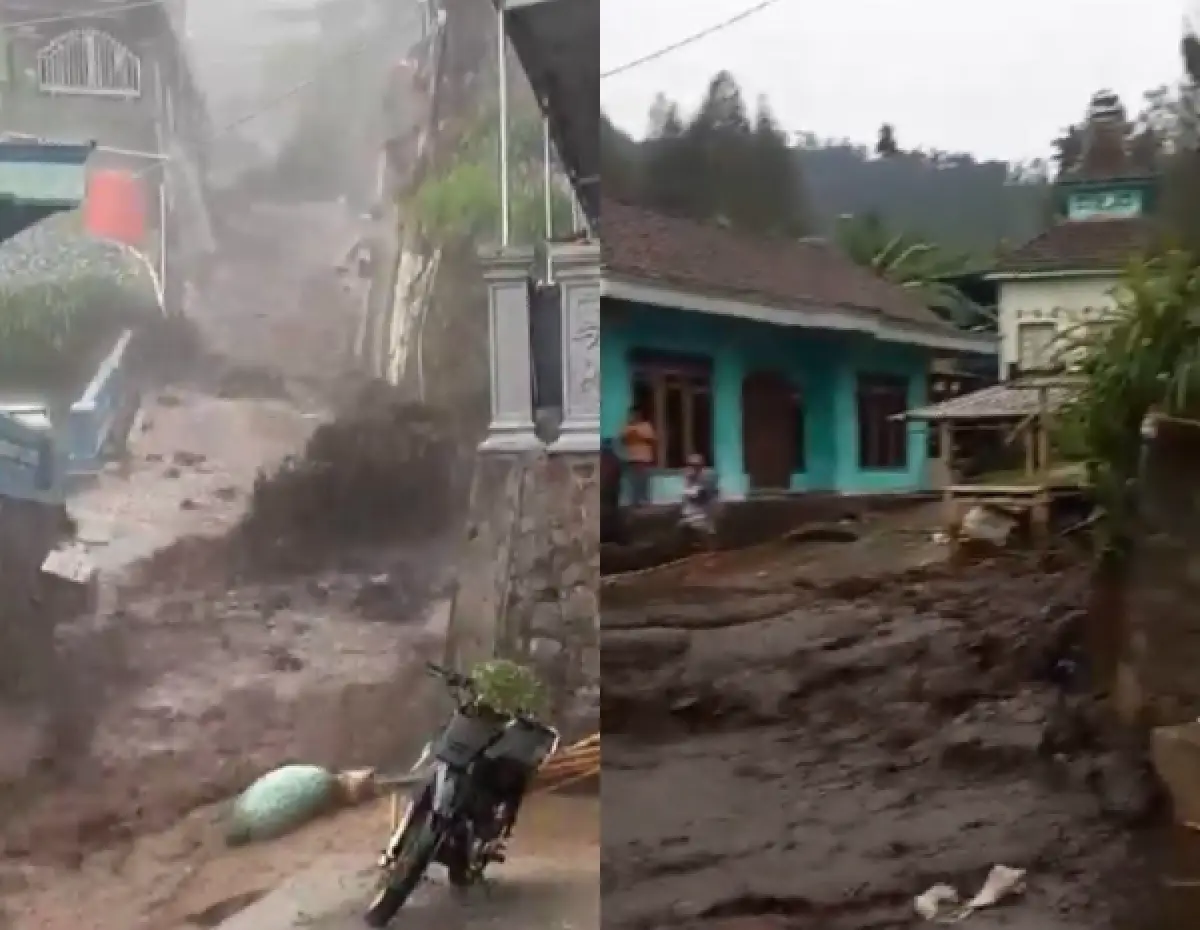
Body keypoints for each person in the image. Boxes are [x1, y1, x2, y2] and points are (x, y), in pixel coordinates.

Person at [679, 453, 719, 546]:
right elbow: (687, 494)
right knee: (686, 525)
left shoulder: (708, 475)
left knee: (707, 528)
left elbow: (702, 493)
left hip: (706, 507)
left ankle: (711, 548)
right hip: (694, 509)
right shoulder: (688, 476)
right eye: (690, 465)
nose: (693, 468)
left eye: (696, 465)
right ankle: (696, 544)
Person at [620, 406, 655, 508]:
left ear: (640, 415)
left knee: (643, 480)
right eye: (632, 414)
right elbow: (622, 440)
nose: (634, 416)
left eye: (636, 414)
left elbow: (651, 440)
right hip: (631, 458)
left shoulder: (646, 426)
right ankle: (634, 501)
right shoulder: (627, 427)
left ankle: (644, 500)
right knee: (633, 481)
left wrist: (638, 435)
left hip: (644, 458)